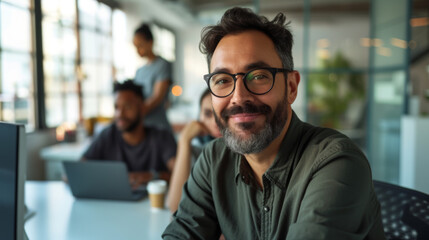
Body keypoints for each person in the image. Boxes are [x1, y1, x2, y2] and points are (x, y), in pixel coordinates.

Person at [163, 7, 385, 239]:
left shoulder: (337, 162)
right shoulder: (214, 160)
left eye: (258, 76)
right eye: (222, 80)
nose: (238, 97)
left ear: (291, 87)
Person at [82, 80, 176, 189]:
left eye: (127, 107)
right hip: (114, 203)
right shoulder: (107, 135)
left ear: (142, 107)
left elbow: (182, 175)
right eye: (116, 107)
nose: (120, 114)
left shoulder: (161, 137)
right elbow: (78, 171)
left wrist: (153, 176)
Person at [167, 89, 222, 213]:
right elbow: (176, 208)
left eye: (222, 113)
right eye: (208, 114)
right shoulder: (198, 151)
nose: (215, 122)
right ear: (199, 117)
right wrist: (184, 141)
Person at [133, 23, 173, 131]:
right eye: (135, 47)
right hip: (141, 127)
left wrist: (133, 114)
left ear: (150, 43)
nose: (137, 50)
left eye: (140, 45)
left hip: (158, 126)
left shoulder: (162, 65)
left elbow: (157, 98)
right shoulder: (139, 71)